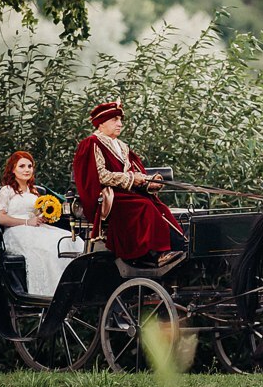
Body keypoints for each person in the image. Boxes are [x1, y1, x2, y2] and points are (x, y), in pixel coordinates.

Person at [72, 100, 185, 267]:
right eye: (114, 120)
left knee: (160, 207)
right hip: (106, 197)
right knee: (143, 205)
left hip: (126, 193)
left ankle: (178, 246)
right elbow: (100, 176)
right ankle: (154, 253)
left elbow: (135, 172)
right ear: (101, 123)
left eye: (120, 120)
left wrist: (148, 183)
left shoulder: (122, 146)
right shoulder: (92, 144)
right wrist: (132, 179)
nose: (119, 124)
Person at [0, 150, 83, 297]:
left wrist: (45, 217)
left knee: (70, 239)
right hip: (16, 230)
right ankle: (50, 292)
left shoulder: (34, 190)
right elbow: (0, 218)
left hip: (36, 227)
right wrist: (27, 222)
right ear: (13, 169)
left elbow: (38, 213)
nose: (27, 170)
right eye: (22, 166)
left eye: (30, 166)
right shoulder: (7, 190)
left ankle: (71, 289)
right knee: (47, 248)